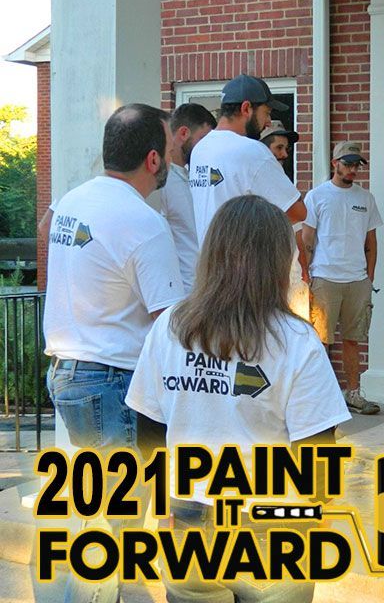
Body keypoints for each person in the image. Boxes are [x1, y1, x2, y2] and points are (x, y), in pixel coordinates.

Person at [126, 195, 350, 603]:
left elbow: (148, 433)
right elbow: (317, 456)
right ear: (280, 262)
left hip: (187, 517)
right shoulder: (297, 342)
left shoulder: (170, 327)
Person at [43, 103, 185, 603]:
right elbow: (172, 323)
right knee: (112, 527)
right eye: (169, 150)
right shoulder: (144, 224)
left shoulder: (70, 201)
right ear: (152, 160)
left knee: (92, 516)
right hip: (111, 382)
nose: (172, 160)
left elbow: (48, 233)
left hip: (68, 375)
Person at [301, 141, 382, 415]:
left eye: (357, 164)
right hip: (324, 276)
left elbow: (371, 242)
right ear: (334, 163)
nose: (352, 169)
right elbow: (307, 239)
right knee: (320, 339)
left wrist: (368, 278)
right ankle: (317, 396)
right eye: (347, 163)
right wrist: (306, 274)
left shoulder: (366, 198)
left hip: (357, 280)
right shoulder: (317, 196)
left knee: (353, 339)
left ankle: (353, 393)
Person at [189, 74, 306, 245]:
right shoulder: (252, 151)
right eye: (266, 113)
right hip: (245, 266)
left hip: (209, 264)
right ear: (246, 108)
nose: (268, 122)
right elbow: (297, 212)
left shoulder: (200, 149)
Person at [159, 103, 216, 291]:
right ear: (184, 133)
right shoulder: (161, 182)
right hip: (179, 295)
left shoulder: (190, 175)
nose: (207, 148)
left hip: (201, 292)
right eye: (203, 139)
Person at [260, 119, 309, 318]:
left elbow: (298, 226)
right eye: (278, 148)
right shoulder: (258, 175)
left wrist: (304, 268)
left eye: (286, 148)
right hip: (267, 273)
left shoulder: (281, 178)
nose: (284, 154)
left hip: (290, 269)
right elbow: (299, 211)